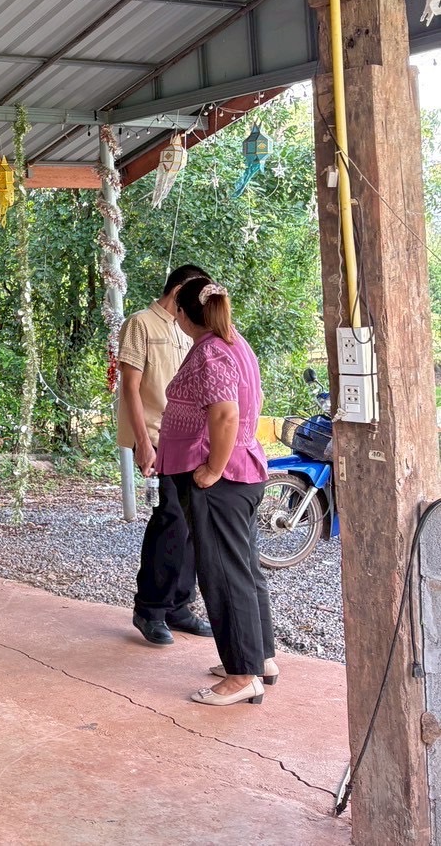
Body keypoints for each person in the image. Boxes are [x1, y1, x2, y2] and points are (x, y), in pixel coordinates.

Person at [157, 277, 274, 707]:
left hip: (223, 477)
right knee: (241, 567)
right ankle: (257, 659)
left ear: (186, 315)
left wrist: (211, 468)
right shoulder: (235, 343)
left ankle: (243, 675)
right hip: (243, 470)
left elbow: (225, 415)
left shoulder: (210, 352)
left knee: (223, 574)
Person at [122, 264, 215, 647]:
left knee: (192, 522)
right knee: (171, 518)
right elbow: (129, 386)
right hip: (158, 436)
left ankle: (179, 606)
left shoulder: (187, 327)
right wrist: (142, 442)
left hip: (190, 437)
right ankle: (149, 608)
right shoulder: (140, 324)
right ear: (179, 290)